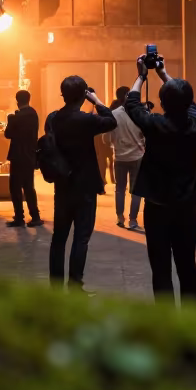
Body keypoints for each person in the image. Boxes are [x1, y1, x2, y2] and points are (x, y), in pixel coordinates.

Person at [125, 53, 196, 308]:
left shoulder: (154, 124)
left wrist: (142, 75)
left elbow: (132, 103)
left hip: (158, 205)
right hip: (186, 205)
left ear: (161, 102)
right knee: (187, 266)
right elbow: (189, 104)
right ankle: (192, 325)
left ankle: (167, 325)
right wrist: (163, 75)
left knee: (160, 268)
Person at [46, 76, 117, 291]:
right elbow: (112, 121)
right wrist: (96, 100)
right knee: (81, 238)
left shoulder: (53, 118)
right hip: (85, 186)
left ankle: (55, 288)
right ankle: (75, 285)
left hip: (62, 185)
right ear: (82, 95)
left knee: (59, 238)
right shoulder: (86, 120)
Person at [3, 90, 42, 228]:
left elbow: (8, 134)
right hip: (30, 155)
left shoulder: (16, 117)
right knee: (28, 187)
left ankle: (19, 217)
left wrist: (10, 119)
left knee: (15, 187)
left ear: (17, 100)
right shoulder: (33, 114)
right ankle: (35, 216)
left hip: (18, 156)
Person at [109, 86, 145, 230]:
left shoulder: (114, 114)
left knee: (120, 188)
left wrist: (115, 145)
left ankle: (120, 217)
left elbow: (107, 138)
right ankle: (133, 220)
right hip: (137, 156)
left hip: (119, 157)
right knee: (136, 190)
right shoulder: (140, 113)